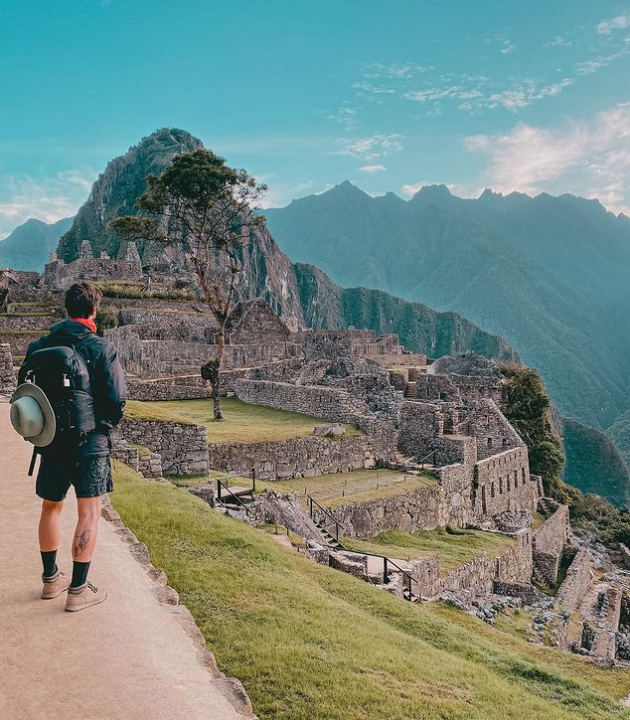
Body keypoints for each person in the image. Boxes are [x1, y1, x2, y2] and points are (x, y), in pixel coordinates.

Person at [18, 281, 126, 612]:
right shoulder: (100, 348)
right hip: (89, 443)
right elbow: (116, 399)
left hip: (51, 441)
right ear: (93, 310)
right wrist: (102, 426)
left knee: (51, 507)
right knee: (89, 513)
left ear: (67, 308)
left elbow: (25, 388)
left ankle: (51, 581)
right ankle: (78, 590)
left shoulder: (40, 345)